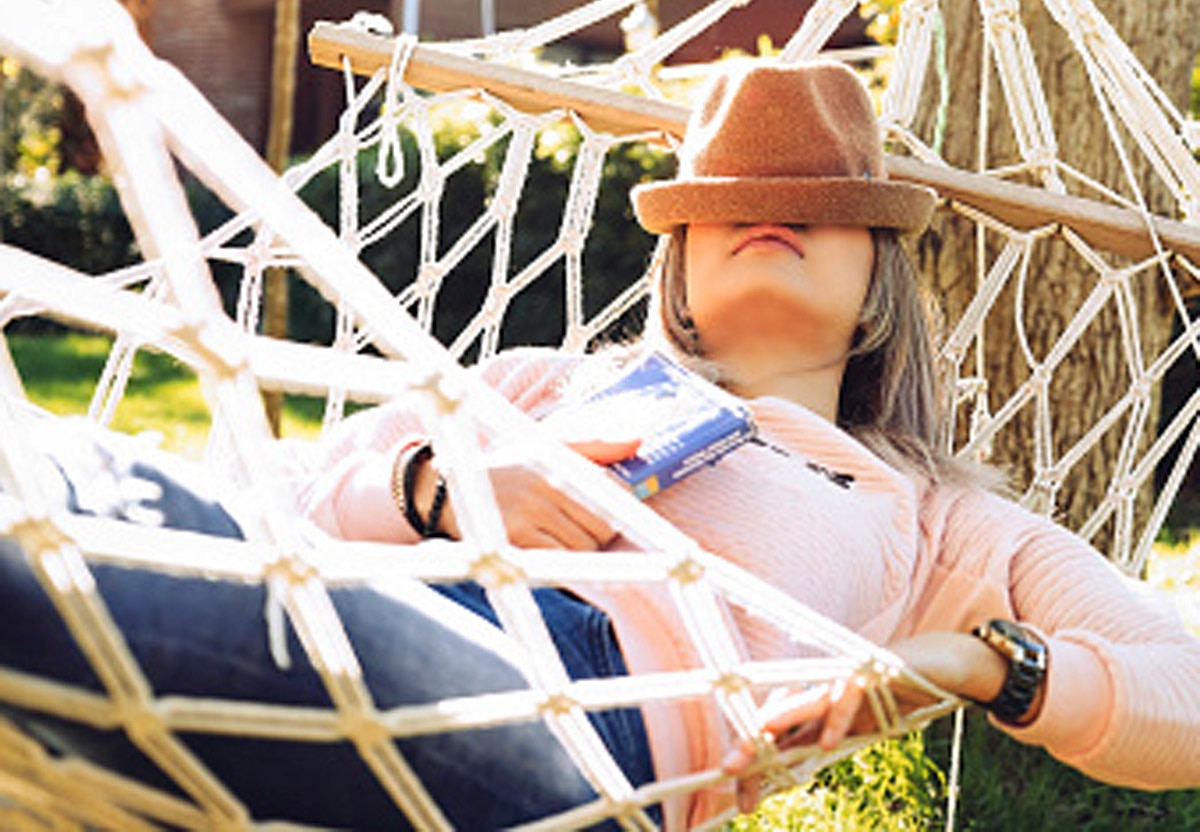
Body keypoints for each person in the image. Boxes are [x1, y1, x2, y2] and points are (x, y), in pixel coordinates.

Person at [2, 59, 1199, 831]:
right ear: (678, 260)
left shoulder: (935, 519)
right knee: (105, 509)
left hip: (582, 734)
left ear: (879, 268)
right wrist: (435, 490)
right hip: (362, 611)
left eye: (817, 205)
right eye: (726, 202)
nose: (767, 215)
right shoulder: (544, 383)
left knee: (59, 539)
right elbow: (257, 491)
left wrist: (982, 667)